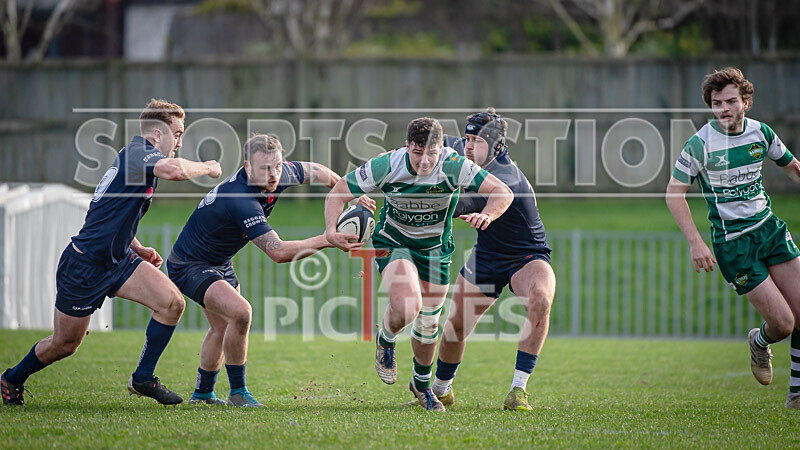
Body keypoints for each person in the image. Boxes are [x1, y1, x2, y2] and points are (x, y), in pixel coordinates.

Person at [1, 99, 222, 406]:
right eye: (178, 132)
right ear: (157, 134)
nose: (180, 141)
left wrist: (138, 247)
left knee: (171, 303)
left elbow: (109, 214)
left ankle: (143, 378)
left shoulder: (138, 161)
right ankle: (12, 378)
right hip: (85, 264)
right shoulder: (138, 153)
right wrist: (208, 168)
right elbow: (173, 171)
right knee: (65, 344)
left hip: (119, 261)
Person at [167, 134, 372, 407]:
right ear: (247, 167)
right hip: (189, 265)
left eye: (277, 165)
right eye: (265, 168)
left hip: (219, 261)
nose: (274, 174)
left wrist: (351, 196)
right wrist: (328, 238)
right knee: (240, 314)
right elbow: (278, 252)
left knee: (223, 326)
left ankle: (203, 394)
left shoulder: (281, 171)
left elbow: (320, 172)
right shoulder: (239, 197)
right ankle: (238, 393)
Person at [324, 117, 513, 411]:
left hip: (436, 249)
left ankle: (422, 386)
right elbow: (338, 192)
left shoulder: (455, 165)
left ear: (442, 149)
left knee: (429, 323)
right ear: (407, 146)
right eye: (417, 152)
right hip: (394, 243)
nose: (425, 162)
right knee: (408, 307)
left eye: (432, 154)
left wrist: (488, 214)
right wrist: (329, 230)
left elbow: (503, 192)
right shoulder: (386, 165)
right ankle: (386, 339)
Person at [666, 67, 800, 409]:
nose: (723, 108)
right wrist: (697, 243)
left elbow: (792, 167)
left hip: (768, 230)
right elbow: (673, 194)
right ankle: (760, 341)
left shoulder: (762, 134)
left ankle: (796, 393)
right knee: (783, 324)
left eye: (730, 101)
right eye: (716, 103)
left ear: (746, 102)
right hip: (734, 245)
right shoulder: (700, 143)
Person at [413, 108, 555, 411]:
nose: (467, 146)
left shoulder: (506, 177)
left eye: (476, 141)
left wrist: (418, 198)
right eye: (467, 138)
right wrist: (395, 162)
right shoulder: (459, 149)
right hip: (488, 254)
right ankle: (441, 390)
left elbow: (454, 205)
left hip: (526, 254)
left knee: (540, 300)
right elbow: (422, 144)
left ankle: (519, 390)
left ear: (496, 146)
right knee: (454, 328)